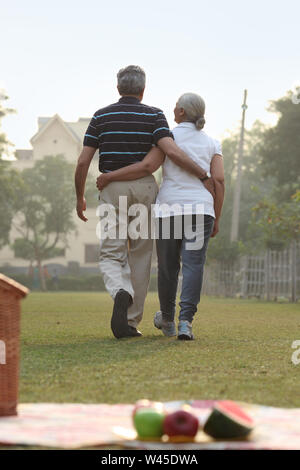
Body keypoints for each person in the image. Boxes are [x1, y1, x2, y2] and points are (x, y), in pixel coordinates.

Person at [75, 65, 214, 339]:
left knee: (111, 253)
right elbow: (169, 152)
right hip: (144, 190)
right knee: (140, 255)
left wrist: (79, 195)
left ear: (118, 88)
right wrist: (201, 174)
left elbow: (82, 161)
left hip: (112, 189)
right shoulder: (154, 115)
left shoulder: (101, 116)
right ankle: (130, 321)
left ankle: (119, 291)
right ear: (143, 90)